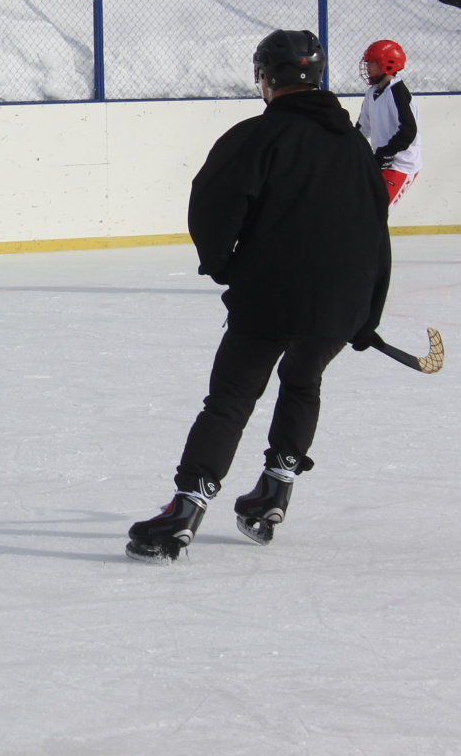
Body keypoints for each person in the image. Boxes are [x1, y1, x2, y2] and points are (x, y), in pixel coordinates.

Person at [126, 30, 391, 562]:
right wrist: (366, 314)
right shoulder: (355, 147)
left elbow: (212, 208)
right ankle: (274, 492)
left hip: (270, 296)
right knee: (302, 380)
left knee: (230, 399)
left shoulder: (255, 137)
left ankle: (185, 512)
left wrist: (225, 265)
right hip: (341, 302)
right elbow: (375, 230)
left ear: (266, 81)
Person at [357, 39, 422, 206]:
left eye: (373, 62)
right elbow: (362, 129)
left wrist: (387, 151)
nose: (368, 67)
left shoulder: (397, 92)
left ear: (388, 63)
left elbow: (408, 131)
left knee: (376, 212)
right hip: (380, 163)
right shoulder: (372, 93)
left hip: (401, 166)